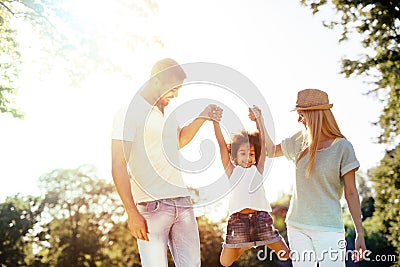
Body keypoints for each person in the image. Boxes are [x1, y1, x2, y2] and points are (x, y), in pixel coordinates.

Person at [111, 58, 222, 267]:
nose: (176, 94)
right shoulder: (128, 113)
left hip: (183, 202)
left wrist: (203, 116)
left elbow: (178, 140)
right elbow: (118, 164)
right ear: (156, 81)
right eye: (173, 88)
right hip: (151, 207)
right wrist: (131, 211)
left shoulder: (170, 111)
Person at [265, 89, 367, 267]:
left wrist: (360, 232)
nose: (299, 119)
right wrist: (260, 121)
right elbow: (270, 151)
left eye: (301, 114)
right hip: (297, 226)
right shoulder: (299, 141)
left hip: (329, 229)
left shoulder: (343, 147)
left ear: (314, 115)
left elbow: (351, 193)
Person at [212, 105, 290, 267]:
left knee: (285, 255)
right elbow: (221, 146)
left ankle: (254, 240)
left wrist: (258, 120)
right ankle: (249, 243)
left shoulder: (258, 169)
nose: (248, 157)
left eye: (252, 154)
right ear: (234, 156)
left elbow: (261, 142)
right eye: (243, 153)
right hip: (238, 222)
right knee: (225, 262)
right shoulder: (232, 170)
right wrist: (215, 123)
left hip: (261, 219)